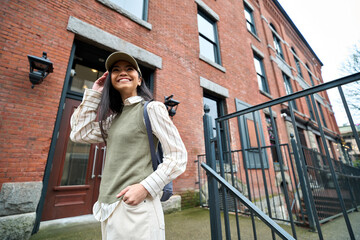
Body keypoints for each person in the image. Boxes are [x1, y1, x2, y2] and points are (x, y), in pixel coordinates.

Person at [70, 52, 187, 239]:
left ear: (139, 80)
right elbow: (79, 133)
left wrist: (145, 188)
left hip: (137, 207)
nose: (122, 72)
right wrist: (95, 93)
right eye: (116, 70)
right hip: (107, 206)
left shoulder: (151, 109)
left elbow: (178, 157)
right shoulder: (113, 119)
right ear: (111, 81)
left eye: (129, 69)